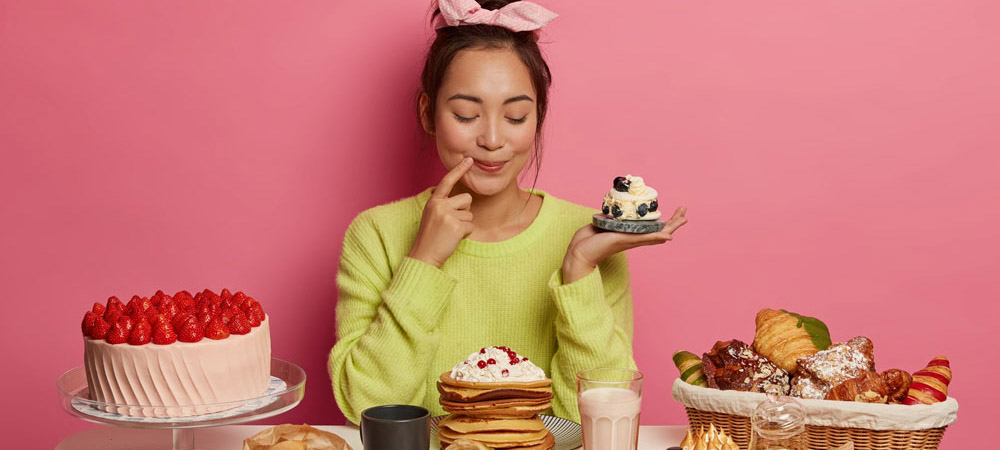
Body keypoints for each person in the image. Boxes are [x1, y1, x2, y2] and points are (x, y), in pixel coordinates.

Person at [328, 0, 687, 424]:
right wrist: (423, 262)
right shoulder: (376, 235)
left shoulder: (587, 239)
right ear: (428, 113)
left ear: (538, 118)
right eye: (466, 115)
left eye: (515, 116)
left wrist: (579, 272)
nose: (493, 139)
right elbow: (365, 407)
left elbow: (598, 421)